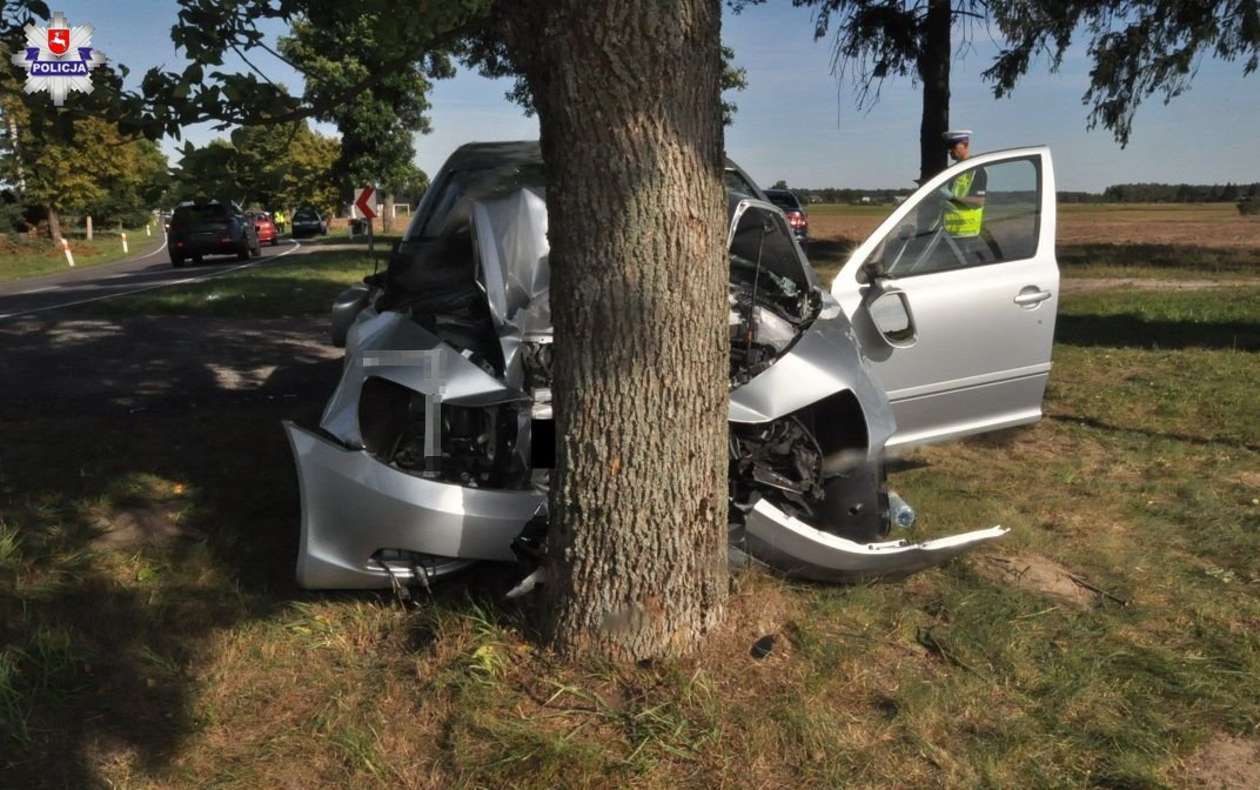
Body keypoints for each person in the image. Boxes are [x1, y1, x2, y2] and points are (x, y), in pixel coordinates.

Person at [941, 129, 986, 239]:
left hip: (968, 233)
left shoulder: (976, 169)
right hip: (951, 232)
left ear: (965, 145)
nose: (949, 150)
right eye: (948, 146)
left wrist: (952, 198)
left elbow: (979, 201)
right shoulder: (953, 170)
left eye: (953, 146)